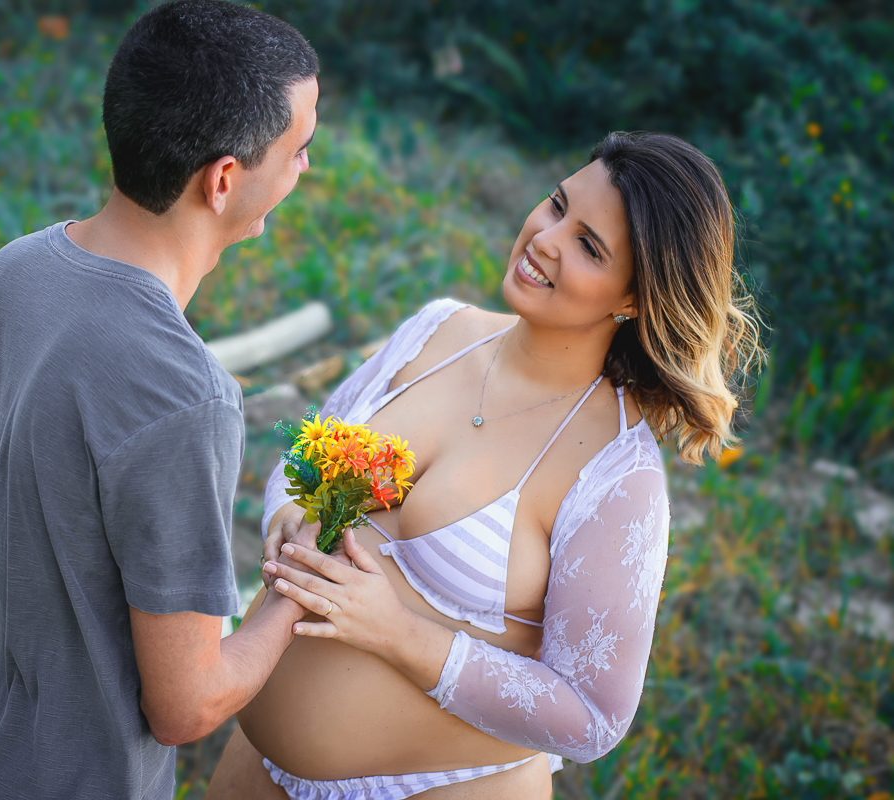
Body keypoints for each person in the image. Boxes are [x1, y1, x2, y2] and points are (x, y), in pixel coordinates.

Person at [206, 132, 763, 799]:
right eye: (557, 206)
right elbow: (308, 459)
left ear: (635, 300)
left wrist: (399, 632)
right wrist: (290, 512)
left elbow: (592, 718)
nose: (547, 239)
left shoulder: (619, 476)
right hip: (258, 768)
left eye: (589, 246)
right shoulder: (437, 331)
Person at [0, 3, 319, 798]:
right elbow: (186, 707)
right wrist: (290, 595)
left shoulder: (7, 274)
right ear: (224, 179)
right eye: (300, 149)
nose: (304, 168)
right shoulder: (184, 395)